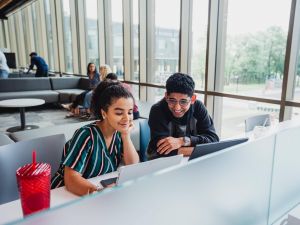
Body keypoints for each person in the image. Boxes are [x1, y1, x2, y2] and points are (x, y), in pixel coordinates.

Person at [51, 80, 139, 195]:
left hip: (94, 191)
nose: (126, 118)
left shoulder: (119, 133)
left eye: (130, 112)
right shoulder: (86, 135)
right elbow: (71, 179)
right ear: (104, 113)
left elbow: (132, 165)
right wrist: (98, 193)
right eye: (119, 113)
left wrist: (126, 135)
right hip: (63, 194)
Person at [147, 73, 219, 159]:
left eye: (183, 101)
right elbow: (161, 151)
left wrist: (182, 141)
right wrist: (199, 149)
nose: (177, 108)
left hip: (190, 161)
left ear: (192, 99)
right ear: (166, 96)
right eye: (172, 100)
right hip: (162, 163)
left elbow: (213, 140)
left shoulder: (198, 107)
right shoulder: (157, 110)